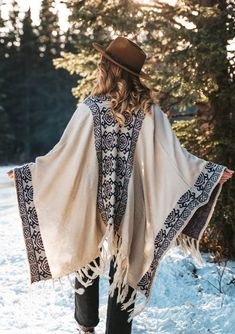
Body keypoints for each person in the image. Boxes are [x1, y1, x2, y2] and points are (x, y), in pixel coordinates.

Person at [7, 37, 234, 334]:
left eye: (104, 63)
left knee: (91, 254)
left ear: (111, 69)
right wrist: (31, 172)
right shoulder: (146, 111)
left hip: (97, 197)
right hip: (126, 199)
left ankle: (86, 325)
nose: (99, 66)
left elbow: (63, 155)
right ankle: (108, 328)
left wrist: (210, 173)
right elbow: (175, 157)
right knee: (113, 259)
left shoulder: (97, 108)